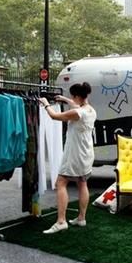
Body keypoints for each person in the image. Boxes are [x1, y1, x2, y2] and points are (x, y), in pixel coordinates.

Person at [38, 82, 97, 234]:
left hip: (75, 154)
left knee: (61, 183)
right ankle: (81, 218)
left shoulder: (78, 113)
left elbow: (54, 116)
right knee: (82, 183)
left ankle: (61, 221)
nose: (72, 98)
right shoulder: (90, 110)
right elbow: (77, 106)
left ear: (77, 96)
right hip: (86, 153)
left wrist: (45, 104)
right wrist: (65, 99)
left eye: (72, 96)